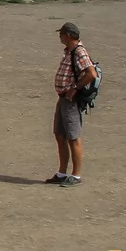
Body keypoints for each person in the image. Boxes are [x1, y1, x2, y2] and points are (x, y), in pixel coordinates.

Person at [48, 22, 98, 187]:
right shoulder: (69, 52)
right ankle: (62, 173)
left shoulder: (79, 52)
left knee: (73, 137)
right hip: (63, 98)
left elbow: (91, 73)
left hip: (71, 100)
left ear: (68, 35)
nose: (59, 37)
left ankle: (76, 175)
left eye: (61, 34)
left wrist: (74, 88)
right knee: (60, 135)